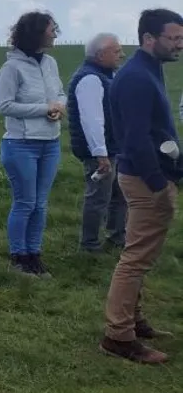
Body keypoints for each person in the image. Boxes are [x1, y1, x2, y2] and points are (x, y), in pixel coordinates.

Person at [98, 8, 183, 364]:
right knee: (136, 258)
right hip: (146, 178)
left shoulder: (150, 70)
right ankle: (118, 336)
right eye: (174, 38)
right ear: (149, 39)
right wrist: (158, 182)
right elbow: (133, 139)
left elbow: (158, 131)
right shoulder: (135, 78)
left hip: (154, 174)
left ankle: (132, 319)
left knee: (140, 254)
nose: (180, 44)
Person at [0, 10, 65, 277]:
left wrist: (59, 106)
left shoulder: (50, 64)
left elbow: (59, 93)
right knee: (25, 202)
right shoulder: (11, 68)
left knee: (41, 203)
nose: (55, 34)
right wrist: (43, 109)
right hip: (21, 144)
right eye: (51, 29)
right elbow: (4, 105)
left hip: (51, 142)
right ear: (36, 33)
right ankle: (18, 257)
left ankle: (34, 255)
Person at [66, 33, 127, 253]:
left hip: (113, 146)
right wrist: (100, 153)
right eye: (117, 51)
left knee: (119, 195)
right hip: (99, 150)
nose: (122, 54)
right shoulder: (91, 79)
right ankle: (89, 245)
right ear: (101, 55)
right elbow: (92, 119)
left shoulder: (106, 75)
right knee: (99, 197)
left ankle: (117, 237)